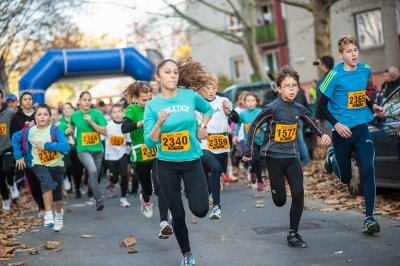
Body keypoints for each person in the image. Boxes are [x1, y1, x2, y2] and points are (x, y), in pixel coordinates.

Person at [243, 65, 331, 248]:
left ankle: (293, 234)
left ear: (298, 87)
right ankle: (276, 188)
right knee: (280, 201)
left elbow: (312, 123)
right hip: (273, 157)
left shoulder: (299, 108)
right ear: (279, 88)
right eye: (287, 86)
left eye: (294, 85)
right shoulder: (272, 108)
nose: (291, 89)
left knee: (299, 193)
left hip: (291, 156)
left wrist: (322, 134)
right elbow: (254, 126)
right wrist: (249, 150)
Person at [143, 58, 213, 266]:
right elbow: (149, 142)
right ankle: (187, 253)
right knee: (179, 214)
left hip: (192, 161)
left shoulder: (189, 96)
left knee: (200, 209)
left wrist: (203, 125)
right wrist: (159, 123)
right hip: (166, 166)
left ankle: (191, 191)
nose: (173, 75)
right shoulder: (153, 106)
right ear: (158, 77)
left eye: (175, 72)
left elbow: (208, 109)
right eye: (167, 72)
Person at [318, 35, 385, 235]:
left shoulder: (365, 70)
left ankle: (369, 218)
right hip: (342, 132)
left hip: (361, 128)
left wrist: (372, 105)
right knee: (346, 177)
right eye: (349, 51)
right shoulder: (334, 75)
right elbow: (321, 105)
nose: (353, 54)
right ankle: (332, 156)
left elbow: (358, 95)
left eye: (355, 50)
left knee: (368, 169)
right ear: (341, 55)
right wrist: (336, 125)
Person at [122, 81, 173, 239]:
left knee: (160, 185)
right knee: (148, 189)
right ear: (136, 98)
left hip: (157, 151)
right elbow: (124, 128)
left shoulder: (157, 106)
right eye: (144, 100)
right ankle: (145, 198)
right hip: (141, 154)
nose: (148, 102)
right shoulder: (132, 109)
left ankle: (164, 222)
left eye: (150, 99)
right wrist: (141, 122)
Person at [12, 104, 70, 231]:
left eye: (45, 114)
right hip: (38, 164)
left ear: (49, 117)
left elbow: (66, 147)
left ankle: (59, 215)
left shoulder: (55, 130)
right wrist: (18, 156)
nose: (42, 117)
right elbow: (15, 138)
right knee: (46, 182)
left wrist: (47, 145)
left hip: (56, 166)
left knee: (57, 195)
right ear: (35, 116)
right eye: (39, 114)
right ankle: (48, 214)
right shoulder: (30, 131)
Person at [197, 73, 239, 219]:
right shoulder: (197, 103)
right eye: (206, 88)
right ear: (201, 89)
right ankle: (216, 206)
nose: (210, 91)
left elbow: (236, 119)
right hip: (204, 144)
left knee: (216, 172)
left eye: (213, 87)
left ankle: (209, 193)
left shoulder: (223, 100)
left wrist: (229, 112)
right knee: (214, 168)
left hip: (221, 143)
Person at [69, 91, 107, 211]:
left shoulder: (97, 114)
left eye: (89, 100)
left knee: (95, 175)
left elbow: (104, 131)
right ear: (79, 101)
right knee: (93, 171)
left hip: (97, 150)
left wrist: (91, 122)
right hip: (83, 150)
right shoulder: (74, 115)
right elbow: (71, 127)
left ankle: (91, 186)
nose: (87, 102)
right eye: (84, 99)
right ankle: (98, 200)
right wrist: (69, 132)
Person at [10, 92, 43, 211]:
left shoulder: (39, 113)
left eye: (30, 99)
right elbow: (13, 137)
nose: (28, 101)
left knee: (44, 178)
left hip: (42, 151)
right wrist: (18, 156)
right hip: (27, 154)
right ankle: (40, 204)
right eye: (25, 99)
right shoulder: (16, 118)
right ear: (21, 102)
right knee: (33, 182)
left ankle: (47, 202)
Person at [233, 92, 265, 191]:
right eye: (248, 101)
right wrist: (235, 135)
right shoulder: (242, 114)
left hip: (262, 140)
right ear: (245, 103)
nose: (250, 103)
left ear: (256, 102)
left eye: (252, 101)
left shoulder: (260, 112)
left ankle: (252, 170)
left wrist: (264, 127)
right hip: (250, 141)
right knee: (255, 159)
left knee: (262, 161)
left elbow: (267, 123)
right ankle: (260, 181)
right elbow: (237, 125)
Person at [104, 103, 131, 207]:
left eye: (119, 111)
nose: (117, 114)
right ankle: (110, 175)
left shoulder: (126, 124)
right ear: (111, 114)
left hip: (122, 151)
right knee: (114, 179)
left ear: (123, 113)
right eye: (114, 112)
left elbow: (128, 138)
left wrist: (129, 145)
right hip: (111, 154)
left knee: (124, 174)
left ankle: (123, 197)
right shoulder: (108, 125)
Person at [59, 102, 83, 198]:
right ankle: (66, 179)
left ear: (73, 109)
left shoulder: (77, 120)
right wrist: (65, 134)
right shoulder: (60, 122)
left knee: (78, 171)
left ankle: (77, 189)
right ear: (63, 111)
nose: (67, 110)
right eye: (65, 108)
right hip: (66, 150)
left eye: (69, 108)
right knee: (67, 166)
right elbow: (58, 137)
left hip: (77, 148)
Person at [0, 90, 16, 210]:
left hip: (8, 146)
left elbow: (18, 122)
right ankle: (5, 199)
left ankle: (11, 183)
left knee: (6, 169)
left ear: (2, 99)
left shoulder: (9, 112)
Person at [314, 55, 335, 137]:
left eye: (321, 64)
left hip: (326, 116)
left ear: (324, 66)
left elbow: (319, 100)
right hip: (339, 114)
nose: (319, 66)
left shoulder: (323, 81)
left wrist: (317, 116)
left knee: (330, 142)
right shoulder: (337, 77)